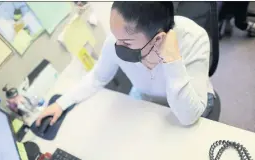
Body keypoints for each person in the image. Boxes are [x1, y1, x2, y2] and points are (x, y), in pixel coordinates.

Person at [37, 2, 214, 126]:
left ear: (157, 38)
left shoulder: (194, 39)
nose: (117, 45)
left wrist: (172, 60)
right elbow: (97, 77)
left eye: (127, 42)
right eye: (115, 36)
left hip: (189, 103)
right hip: (146, 99)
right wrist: (61, 103)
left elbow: (188, 116)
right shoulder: (116, 40)